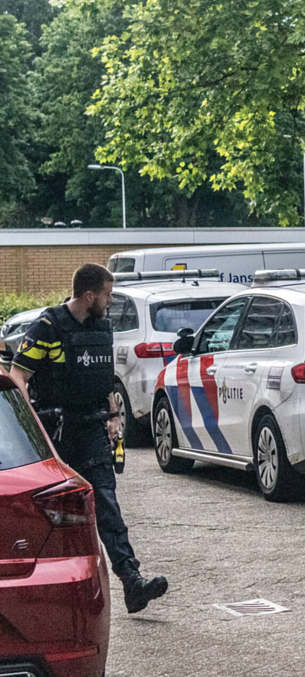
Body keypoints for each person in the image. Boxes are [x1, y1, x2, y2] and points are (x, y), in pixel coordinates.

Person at [8, 263, 168, 614]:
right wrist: (29, 426)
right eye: (108, 295)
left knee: (107, 505)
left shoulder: (99, 328)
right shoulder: (48, 327)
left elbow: (102, 378)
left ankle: (132, 581)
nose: (111, 301)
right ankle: (55, 592)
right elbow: (18, 375)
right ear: (89, 295)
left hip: (92, 430)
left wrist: (112, 416)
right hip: (57, 434)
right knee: (56, 513)